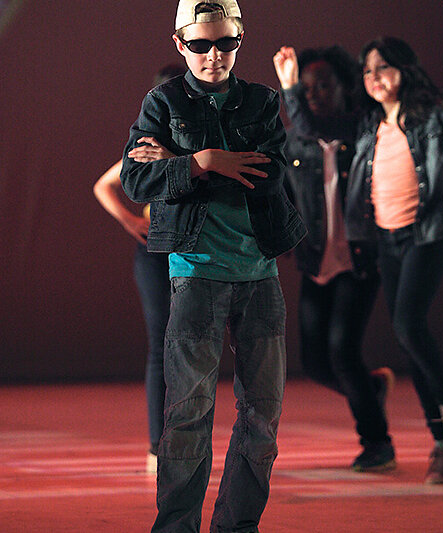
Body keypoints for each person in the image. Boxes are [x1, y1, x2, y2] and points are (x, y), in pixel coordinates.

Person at [274, 37, 443, 484]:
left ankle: (434, 423)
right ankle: (435, 431)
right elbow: (305, 130)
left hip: (409, 240)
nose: (374, 78)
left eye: (383, 68)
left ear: (404, 70)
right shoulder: (362, 124)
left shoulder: (424, 117)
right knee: (393, 340)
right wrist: (289, 87)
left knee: (398, 332)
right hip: (369, 245)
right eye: (368, 71)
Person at [120, 1, 306, 531]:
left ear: (240, 39)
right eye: (200, 44)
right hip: (195, 272)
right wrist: (204, 161)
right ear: (181, 44)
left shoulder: (262, 100)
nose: (213, 55)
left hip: (259, 275)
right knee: (187, 413)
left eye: (225, 43)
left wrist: (182, 165)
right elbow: (135, 181)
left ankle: (237, 526)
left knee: (263, 417)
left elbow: (269, 176)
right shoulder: (163, 102)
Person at [273, 46, 396, 472]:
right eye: (306, 89)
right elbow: (284, 196)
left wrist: (288, 87)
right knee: (315, 362)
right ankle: (371, 390)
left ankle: (378, 443)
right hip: (317, 262)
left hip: (359, 261)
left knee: (343, 351)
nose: (314, 95)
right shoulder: (294, 141)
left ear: (344, 87)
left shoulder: (362, 130)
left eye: (323, 86)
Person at [93, 64, 185, 474]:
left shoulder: (203, 138)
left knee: (194, 346)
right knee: (160, 344)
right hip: (154, 252)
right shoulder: (148, 142)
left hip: (196, 248)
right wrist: (131, 222)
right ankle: (157, 446)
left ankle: (189, 441)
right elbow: (103, 185)